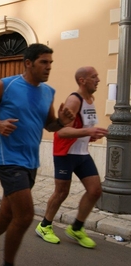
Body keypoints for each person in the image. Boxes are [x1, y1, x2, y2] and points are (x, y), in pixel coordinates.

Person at [0, 43, 75, 266]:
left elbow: (49, 125)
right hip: (8, 158)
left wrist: (62, 122)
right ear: (28, 63)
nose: (48, 67)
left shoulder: (48, 92)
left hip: (30, 161)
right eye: (44, 62)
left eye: (50, 63)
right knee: (25, 216)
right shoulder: (6, 85)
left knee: (7, 214)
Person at [35, 66, 108, 249]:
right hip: (66, 154)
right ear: (82, 80)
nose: (98, 79)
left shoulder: (90, 99)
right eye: (94, 76)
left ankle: (76, 228)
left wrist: (90, 135)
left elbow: (82, 126)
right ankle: (44, 226)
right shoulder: (74, 100)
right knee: (62, 192)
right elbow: (61, 130)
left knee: (95, 191)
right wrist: (87, 131)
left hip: (82, 153)